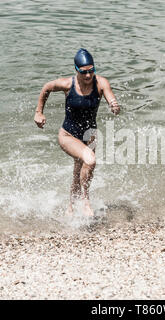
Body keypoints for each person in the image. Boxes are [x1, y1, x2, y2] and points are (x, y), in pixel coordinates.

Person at [34, 48, 120, 217]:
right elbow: (47, 88)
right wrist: (39, 112)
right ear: (76, 70)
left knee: (79, 171)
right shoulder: (67, 84)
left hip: (90, 136)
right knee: (90, 159)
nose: (88, 76)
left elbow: (111, 97)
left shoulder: (101, 83)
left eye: (91, 71)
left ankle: (71, 207)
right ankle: (86, 201)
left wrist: (114, 105)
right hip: (68, 135)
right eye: (83, 72)